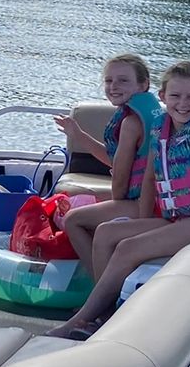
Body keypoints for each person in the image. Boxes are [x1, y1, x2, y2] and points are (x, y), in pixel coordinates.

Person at [48, 29, 190, 340]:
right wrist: (140, 222)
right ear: (163, 97)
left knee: (128, 247)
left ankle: (83, 320)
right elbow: (151, 178)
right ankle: (106, 313)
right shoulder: (161, 129)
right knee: (107, 233)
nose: (183, 104)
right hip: (177, 219)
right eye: (176, 96)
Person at [52, 53, 154, 263]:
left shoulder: (131, 123)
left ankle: (98, 277)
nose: (113, 86)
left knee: (73, 220)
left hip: (145, 204)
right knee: (79, 204)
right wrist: (78, 135)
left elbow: (120, 179)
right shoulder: (146, 114)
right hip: (150, 198)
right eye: (108, 80)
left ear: (143, 84)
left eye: (123, 80)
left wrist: (115, 206)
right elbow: (114, 160)